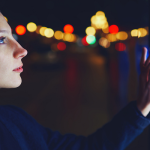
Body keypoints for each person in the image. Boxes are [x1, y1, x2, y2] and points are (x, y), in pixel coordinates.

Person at [0, 11, 150, 150]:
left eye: (12, 37)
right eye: (1, 39)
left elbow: (88, 147)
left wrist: (140, 108)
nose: (23, 50)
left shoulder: (14, 120)